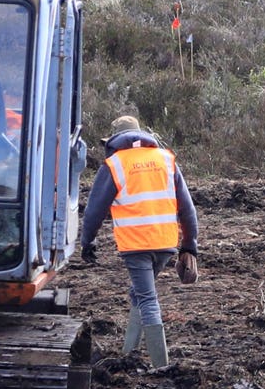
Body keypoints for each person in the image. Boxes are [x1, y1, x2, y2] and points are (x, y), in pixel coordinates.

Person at [78, 115, 199, 371]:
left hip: (135, 246)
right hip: (165, 244)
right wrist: (189, 245)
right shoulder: (166, 159)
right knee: (139, 292)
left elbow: (94, 211)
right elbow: (187, 208)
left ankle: (161, 366)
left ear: (113, 140)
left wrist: (87, 242)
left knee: (146, 297)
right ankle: (128, 352)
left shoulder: (114, 164)